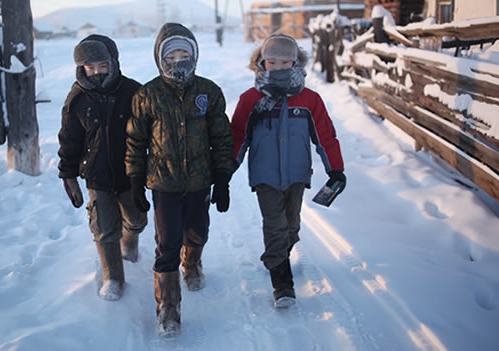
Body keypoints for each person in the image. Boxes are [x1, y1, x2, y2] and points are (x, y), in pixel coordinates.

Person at [125, 22, 234, 336]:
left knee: (197, 232)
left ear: (194, 55)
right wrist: (135, 179)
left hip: (200, 180)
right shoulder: (147, 95)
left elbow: (222, 138)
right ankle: (168, 308)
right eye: (170, 55)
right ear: (160, 58)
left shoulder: (209, 92)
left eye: (184, 53)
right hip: (163, 183)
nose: (177, 60)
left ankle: (193, 261)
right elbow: (136, 141)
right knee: (167, 243)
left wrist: (223, 179)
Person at [230, 33, 346, 308]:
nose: (278, 67)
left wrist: (336, 170)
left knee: (291, 226)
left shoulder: (309, 100)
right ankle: (282, 283)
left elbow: (326, 136)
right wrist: (225, 171)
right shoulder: (251, 99)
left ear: (294, 63)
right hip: (265, 176)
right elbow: (237, 136)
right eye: (272, 62)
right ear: (261, 63)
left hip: (296, 175)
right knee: (276, 225)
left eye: (284, 62)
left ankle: (278, 254)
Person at [57, 34, 147, 301]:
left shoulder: (133, 92)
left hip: (130, 174)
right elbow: (69, 139)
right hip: (97, 175)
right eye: (89, 67)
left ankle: (130, 243)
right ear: (81, 68)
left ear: (113, 62)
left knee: (136, 219)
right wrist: (68, 174)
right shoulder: (77, 98)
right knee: (104, 228)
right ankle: (113, 278)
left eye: (102, 65)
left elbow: (150, 133)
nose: (96, 72)